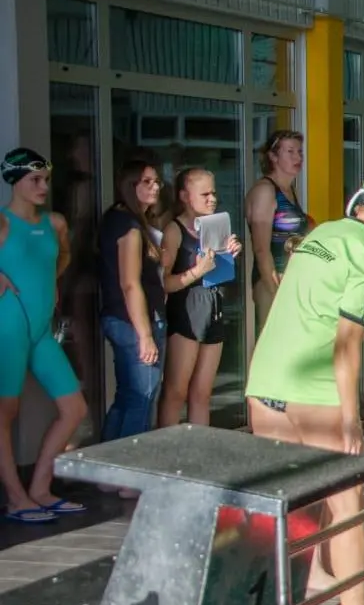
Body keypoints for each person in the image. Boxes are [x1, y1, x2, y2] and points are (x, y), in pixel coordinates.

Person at [247, 164, 364, 605]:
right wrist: (351, 418)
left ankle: (292, 601)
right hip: (315, 389)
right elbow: (347, 345)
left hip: (265, 380)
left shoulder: (324, 232)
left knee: (290, 497)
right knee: (347, 504)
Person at [0, 149, 89, 524]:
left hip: (39, 331)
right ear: (14, 181)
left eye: (46, 179)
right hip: (8, 327)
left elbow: (63, 255)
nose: (43, 186)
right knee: (5, 415)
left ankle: (39, 488)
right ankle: (16, 498)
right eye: (34, 180)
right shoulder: (2, 223)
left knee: (75, 409)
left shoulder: (54, 223)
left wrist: (52, 278)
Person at [157, 167, 243, 428]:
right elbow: (163, 282)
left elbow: (222, 276)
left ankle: (198, 453)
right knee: (175, 393)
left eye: (214, 193)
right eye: (204, 194)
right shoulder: (174, 230)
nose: (212, 199)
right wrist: (198, 270)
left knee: (202, 393)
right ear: (185, 196)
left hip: (213, 308)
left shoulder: (215, 225)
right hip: (185, 314)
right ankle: (167, 454)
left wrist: (229, 256)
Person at [98, 161, 168, 453]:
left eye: (156, 182)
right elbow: (130, 283)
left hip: (120, 318)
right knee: (142, 397)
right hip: (134, 322)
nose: (154, 187)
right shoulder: (128, 226)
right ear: (130, 185)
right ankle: (128, 473)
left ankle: (104, 470)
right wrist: (145, 335)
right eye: (146, 182)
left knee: (127, 396)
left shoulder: (120, 218)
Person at [245, 129, 312, 331]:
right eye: (290, 151)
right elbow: (261, 249)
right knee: (273, 342)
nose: (297, 157)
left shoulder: (290, 190)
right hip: (272, 278)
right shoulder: (266, 190)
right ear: (273, 157)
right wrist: (275, 291)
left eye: (299, 152)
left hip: (291, 276)